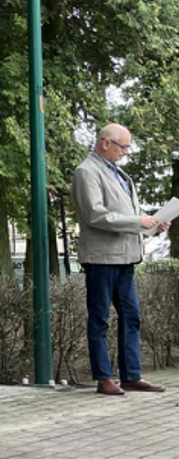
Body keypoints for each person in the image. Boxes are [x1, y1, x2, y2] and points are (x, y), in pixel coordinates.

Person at [71, 123, 168, 396]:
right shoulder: (86, 172)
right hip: (102, 259)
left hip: (126, 258)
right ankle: (103, 378)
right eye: (123, 146)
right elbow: (96, 215)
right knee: (100, 318)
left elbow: (124, 215)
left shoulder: (121, 174)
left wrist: (152, 225)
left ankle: (131, 376)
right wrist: (139, 221)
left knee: (131, 317)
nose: (126, 152)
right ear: (105, 143)